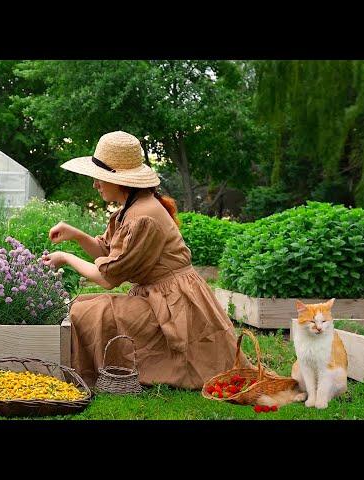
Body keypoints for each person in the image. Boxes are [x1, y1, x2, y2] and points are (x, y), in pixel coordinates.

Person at [42, 131, 251, 389]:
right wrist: (75, 235)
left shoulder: (144, 216)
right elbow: (107, 253)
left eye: (99, 178)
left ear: (121, 181)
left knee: (90, 312)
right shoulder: (130, 209)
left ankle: (107, 370)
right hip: (157, 296)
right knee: (83, 305)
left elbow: (107, 278)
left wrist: (66, 257)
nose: (95, 185)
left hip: (175, 306)